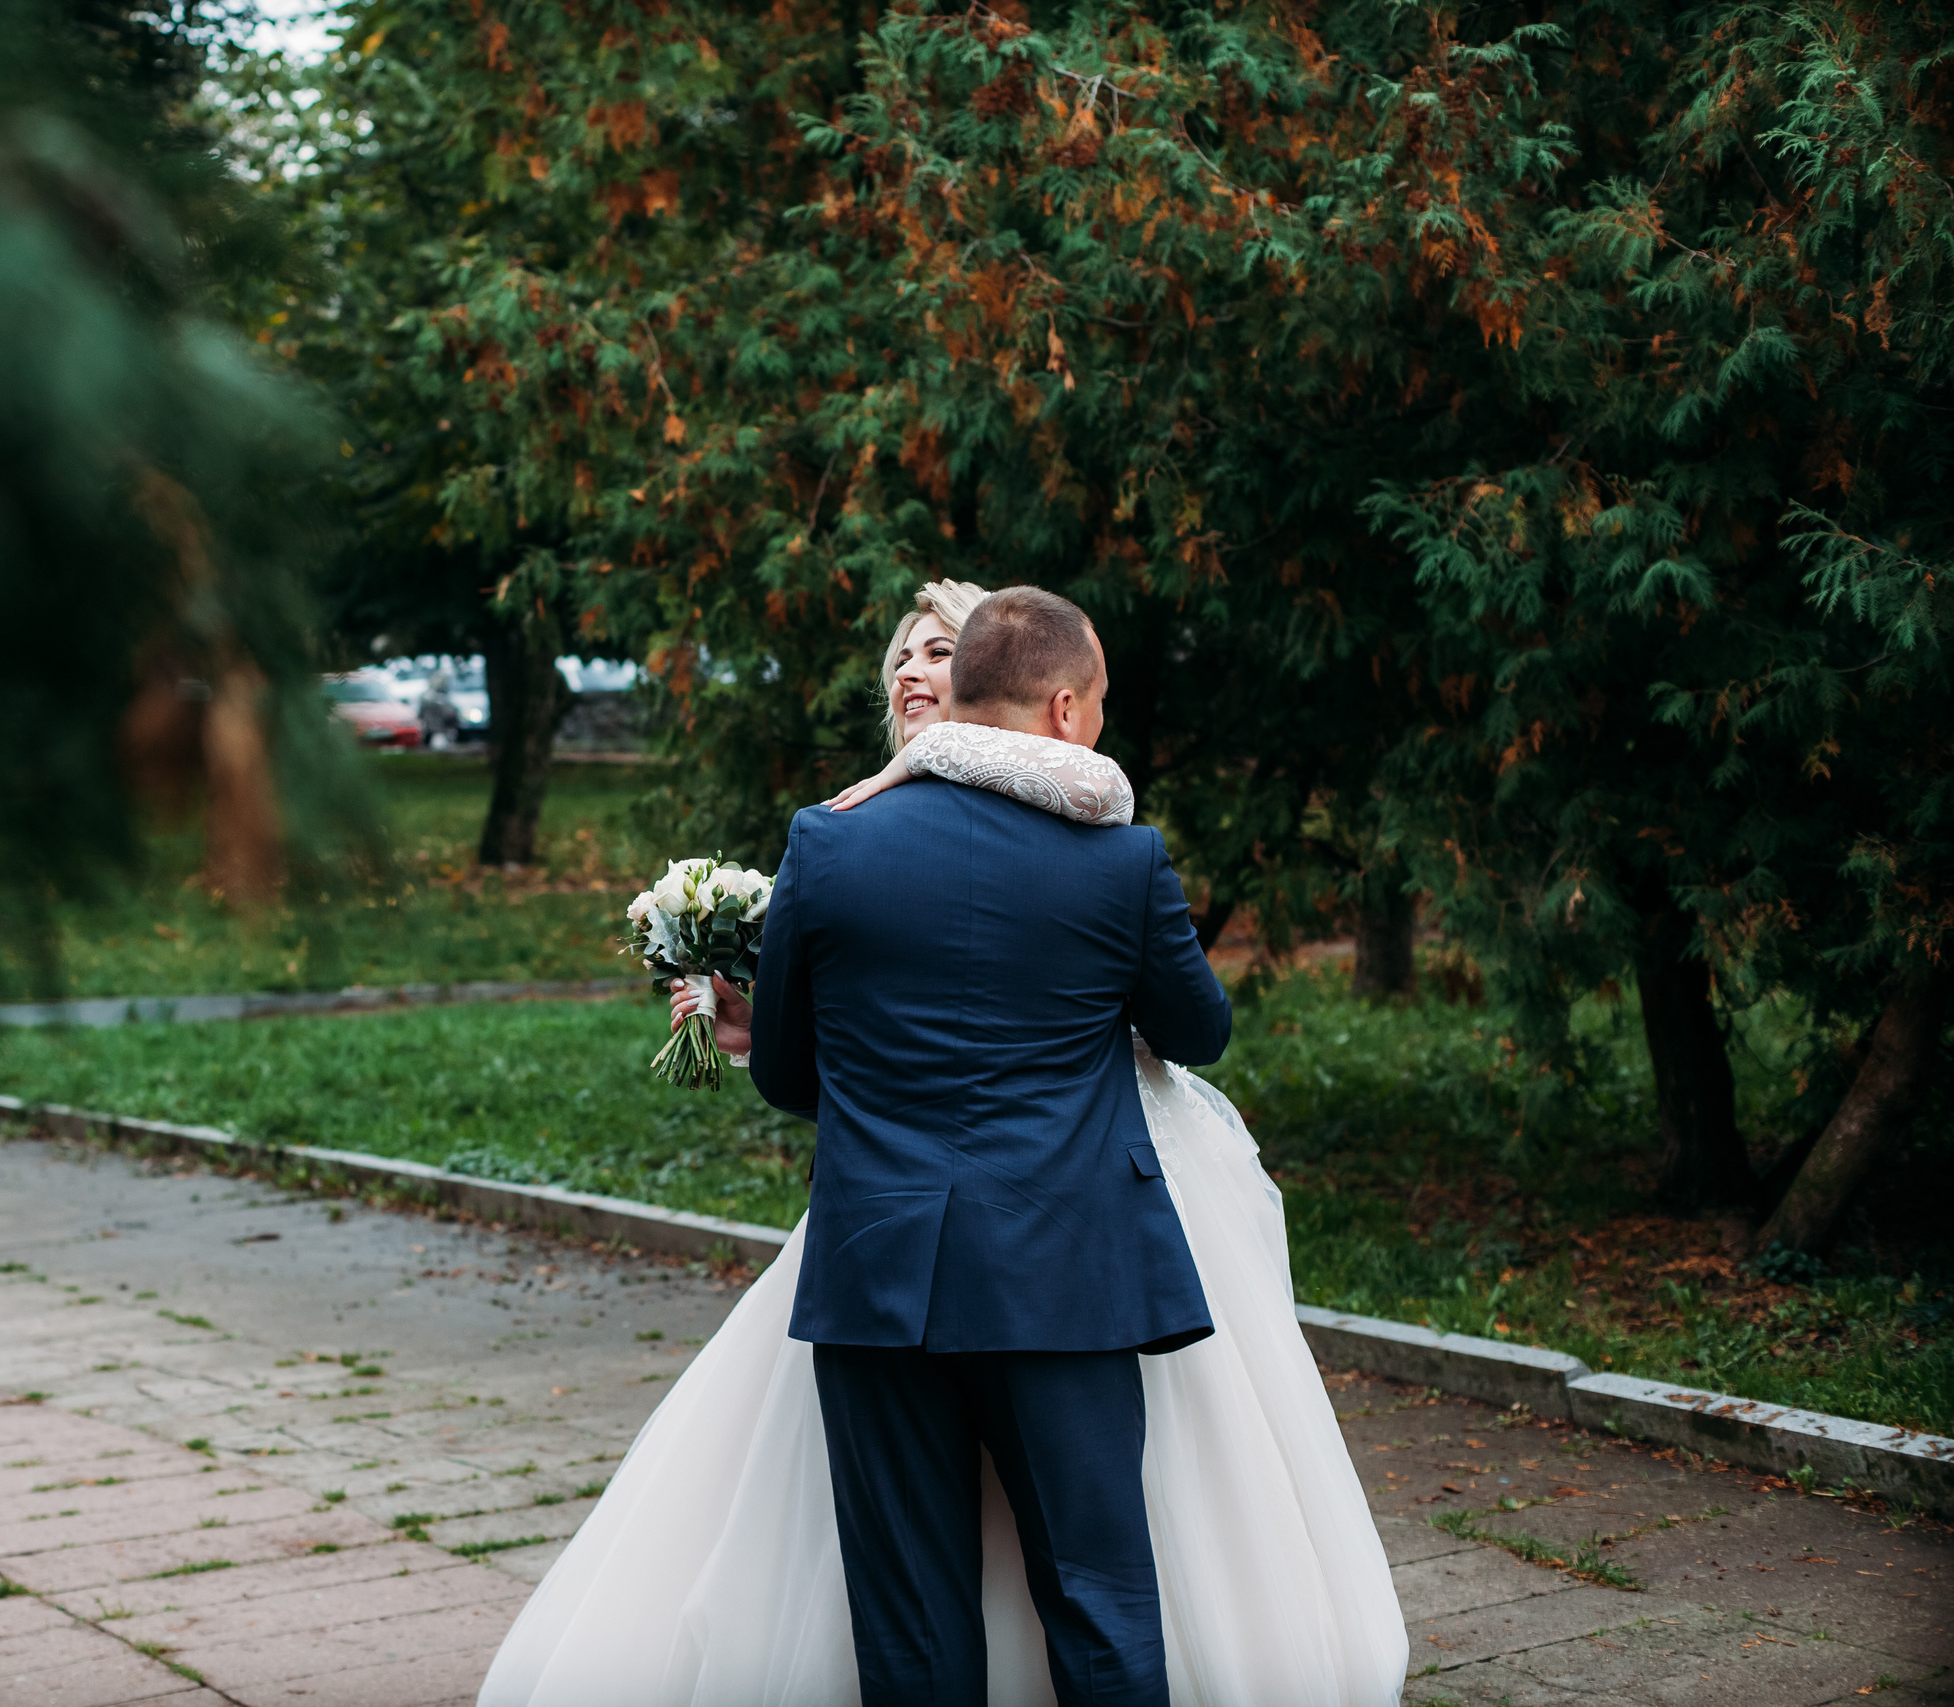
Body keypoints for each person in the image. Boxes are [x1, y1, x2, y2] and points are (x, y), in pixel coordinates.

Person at [476, 583, 1405, 1707]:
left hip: (877, 1280)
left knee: (911, 1625)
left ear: (957, 689)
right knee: (1099, 1600)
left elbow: (790, 1076)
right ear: (1064, 710)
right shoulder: (1122, 862)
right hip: (1066, 1275)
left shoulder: (827, 843)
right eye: (1100, 700)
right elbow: (1198, 1031)